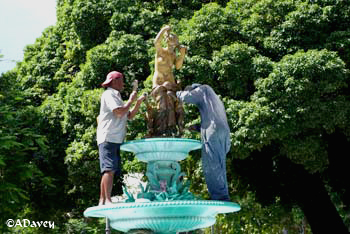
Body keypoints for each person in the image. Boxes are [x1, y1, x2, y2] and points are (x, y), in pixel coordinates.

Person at [97, 71, 146, 205]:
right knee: (109, 169)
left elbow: (128, 115)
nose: (123, 83)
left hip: (115, 138)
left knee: (110, 170)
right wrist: (131, 99)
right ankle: (106, 200)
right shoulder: (109, 94)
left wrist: (138, 102)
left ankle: (103, 200)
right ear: (115, 81)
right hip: (108, 137)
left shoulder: (116, 96)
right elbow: (119, 112)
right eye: (121, 80)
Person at [177, 84, 231, 201]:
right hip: (224, 133)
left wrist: (174, 92)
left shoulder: (203, 90)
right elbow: (212, 118)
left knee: (211, 165)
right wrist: (196, 127)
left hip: (214, 133)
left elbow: (186, 96)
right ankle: (223, 195)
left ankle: (219, 197)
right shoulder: (213, 98)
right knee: (219, 164)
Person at [148, 25, 186, 136]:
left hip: (170, 82)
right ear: (167, 41)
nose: (172, 44)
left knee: (172, 102)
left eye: (174, 42)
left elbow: (178, 66)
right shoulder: (161, 51)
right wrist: (163, 29)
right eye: (170, 41)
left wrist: (182, 55)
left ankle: (171, 128)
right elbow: (156, 42)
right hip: (159, 82)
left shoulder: (173, 55)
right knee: (162, 104)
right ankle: (159, 129)